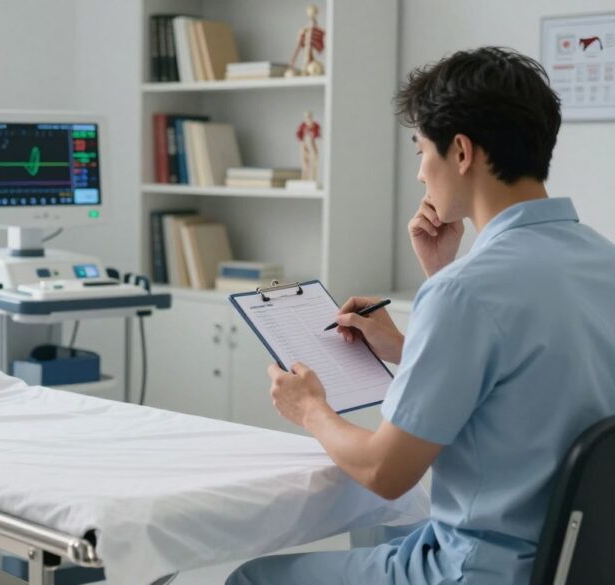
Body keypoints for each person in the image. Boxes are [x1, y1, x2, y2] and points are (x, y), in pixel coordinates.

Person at [226, 47, 615, 585]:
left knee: (251, 576)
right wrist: (428, 299)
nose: (419, 173)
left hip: (481, 570)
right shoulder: (602, 260)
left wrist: (309, 408)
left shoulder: (467, 293)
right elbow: (530, 378)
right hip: (577, 562)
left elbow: (385, 472)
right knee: (382, 532)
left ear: (461, 152)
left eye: (421, 150)